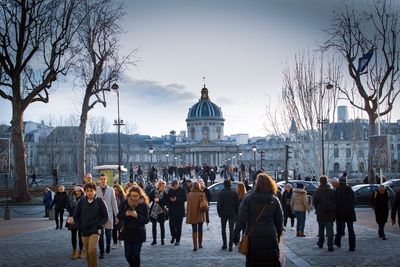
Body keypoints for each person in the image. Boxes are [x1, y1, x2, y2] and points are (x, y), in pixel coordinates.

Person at [232, 173, 283, 266]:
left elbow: (241, 219)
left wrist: (235, 234)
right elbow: (280, 221)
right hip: (270, 234)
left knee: (254, 261)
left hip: (253, 234)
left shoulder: (249, 199)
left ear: (257, 185)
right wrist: (278, 235)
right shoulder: (274, 200)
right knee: (270, 261)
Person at [73, 182, 108, 267]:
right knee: (88, 252)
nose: (89, 192)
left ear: (95, 191)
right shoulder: (81, 201)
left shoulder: (100, 201)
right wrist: (79, 226)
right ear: (85, 191)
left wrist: (100, 225)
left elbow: (105, 216)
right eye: (87, 191)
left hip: (95, 230)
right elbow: (75, 215)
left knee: (92, 250)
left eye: (91, 190)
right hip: (84, 230)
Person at [116, 185, 149, 267]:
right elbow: (119, 216)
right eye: (132, 196)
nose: (134, 198)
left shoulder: (143, 204)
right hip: (127, 232)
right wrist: (125, 214)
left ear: (140, 195)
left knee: (136, 254)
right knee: (128, 255)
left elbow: (146, 220)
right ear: (129, 195)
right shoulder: (124, 203)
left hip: (139, 232)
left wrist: (137, 216)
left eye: (136, 196)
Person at [96, 174, 119, 258]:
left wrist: (117, 215)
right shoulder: (96, 189)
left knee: (108, 235)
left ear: (106, 179)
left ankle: (108, 245)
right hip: (98, 216)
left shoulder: (111, 189)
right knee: (100, 235)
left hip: (109, 214)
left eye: (104, 179)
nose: (103, 180)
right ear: (99, 180)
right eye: (101, 179)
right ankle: (101, 253)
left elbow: (114, 202)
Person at [313, 175, 336, 251]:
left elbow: (314, 203)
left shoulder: (317, 191)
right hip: (330, 213)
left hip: (320, 213)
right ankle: (330, 245)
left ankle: (321, 243)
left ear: (320, 182)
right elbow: (335, 202)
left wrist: (318, 208)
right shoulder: (332, 191)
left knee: (321, 229)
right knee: (330, 230)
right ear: (327, 181)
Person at [334, 176, 356, 251]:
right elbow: (353, 200)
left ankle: (338, 242)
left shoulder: (338, 190)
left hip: (341, 212)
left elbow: (336, 202)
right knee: (351, 229)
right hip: (350, 212)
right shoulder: (350, 189)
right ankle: (352, 246)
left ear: (340, 182)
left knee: (339, 229)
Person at [217, 179, 239, 251]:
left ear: (224, 184)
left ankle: (224, 244)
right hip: (232, 213)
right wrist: (236, 212)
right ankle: (230, 246)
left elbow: (219, 204)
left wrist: (219, 213)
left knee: (223, 229)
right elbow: (237, 204)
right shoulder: (234, 192)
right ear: (230, 184)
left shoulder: (221, 192)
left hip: (223, 213)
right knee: (231, 230)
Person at [186, 181, 207, 251]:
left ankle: (195, 246)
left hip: (192, 213)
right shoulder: (202, 194)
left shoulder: (189, 195)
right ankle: (200, 244)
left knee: (194, 229)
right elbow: (205, 204)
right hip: (200, 213)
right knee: (200, 229)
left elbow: (188, 206)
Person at [66, 185, 85, 259]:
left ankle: (80, 251)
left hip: (80, 219)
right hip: (72, 218)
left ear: (81, 191)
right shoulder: (71, 197)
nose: (77, 192)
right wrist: (72, 213)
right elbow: (67, 206)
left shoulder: (84, 198)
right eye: (76, 191)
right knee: (73, 235)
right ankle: (74, 251)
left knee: (80, 236)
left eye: (79, 191)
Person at [167, 179, 187, 245]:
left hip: (180, 211)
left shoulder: (182, 190)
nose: (174, 188)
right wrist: (170, 200)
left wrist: (177, 199)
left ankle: (178, 240)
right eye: (173, 187)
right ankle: (173, 236)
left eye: (175, 186)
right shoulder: (170, 190)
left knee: (178, 226)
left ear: (178, 185)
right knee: (171, 226)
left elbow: (185, 199)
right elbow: (167, 199)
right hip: (172, 211)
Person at [148, 179, 168, 245]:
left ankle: (162, 240)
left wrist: (159, 200)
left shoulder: (165, 193)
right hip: (154, 211)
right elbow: (149, 198)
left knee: (162, 226)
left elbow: (165, 202)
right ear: (159, 186)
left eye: (164, 186)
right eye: (163, 186)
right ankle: (154, 240)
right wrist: (152, 200)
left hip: (162, 211)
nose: (164, 187)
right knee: (154, 226)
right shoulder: (153, 192)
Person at [112, 184, 126, 248]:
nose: (115, 191)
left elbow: (123, 207)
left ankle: (120, 240)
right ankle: (115, 242)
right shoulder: (112, 196)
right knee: (114, 229)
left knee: (120, 228)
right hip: (113, 214)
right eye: (114, 190)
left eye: (116, 190)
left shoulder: (122, 197)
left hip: (121, 215)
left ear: (119, 190)